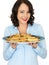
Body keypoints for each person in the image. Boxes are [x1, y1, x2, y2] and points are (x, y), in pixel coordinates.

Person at [3, 0, 47, 65]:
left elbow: (44, 55)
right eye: (22, 12)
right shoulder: (9, 30)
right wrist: (12, 47)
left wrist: (35, 46)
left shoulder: (37, 28)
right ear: (16, 12)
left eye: (28, 12)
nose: (25, 15)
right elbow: (5, 57)